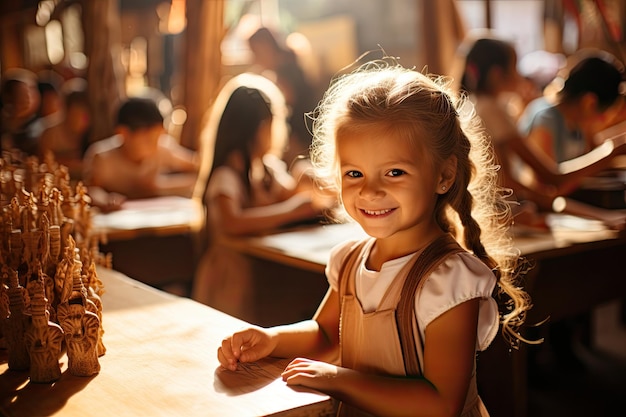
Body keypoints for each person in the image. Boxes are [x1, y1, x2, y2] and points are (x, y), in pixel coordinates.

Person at [217, 59, 535, 417]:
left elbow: (440, 403)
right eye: (354, 173)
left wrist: (339, 379)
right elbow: (325, 335)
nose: (369, 191)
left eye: (394, 172)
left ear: (443, 175)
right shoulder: (351, 261)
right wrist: (272, 339)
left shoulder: (449, 279)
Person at [191, 73, 332, 321]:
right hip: (231, 279)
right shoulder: (227, 175)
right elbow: (231, 222)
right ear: (257, 127)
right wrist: (292, 210)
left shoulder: (266, 169)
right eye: (273, 123)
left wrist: (307, 179)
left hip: (262, 271)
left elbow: (290, 192)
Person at [459, 36, 626, 229]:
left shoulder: (475, 105)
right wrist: (613, 151)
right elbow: (547, 179)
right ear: (497, 74)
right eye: (515, 68)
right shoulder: (495, 112)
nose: (521, 75)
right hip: (496, 215)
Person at [83, 96, 198, 211]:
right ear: (123, 133)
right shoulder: (103, 158)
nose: (155, 146)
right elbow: (91, 190)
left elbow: (199, 167)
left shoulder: (162, 148)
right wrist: (106, 200)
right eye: (148, 140)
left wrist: (162, 186)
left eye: (158, 138)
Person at [518, 50, 626, 163]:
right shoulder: (545, 118)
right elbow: (545, 178)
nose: (601, 122)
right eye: (601, 117)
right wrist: (611, 153)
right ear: (589, 103)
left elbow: (592, 152)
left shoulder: (576, 122)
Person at [248, 27, 320, 167]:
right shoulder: (285, 65)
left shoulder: (284, 72)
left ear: (265, 47)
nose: (254, 59)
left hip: (302, 137)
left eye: (255, 52)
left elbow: (286, 104)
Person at [38, 78, 91, 180]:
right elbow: (43, 163)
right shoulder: (50, 133)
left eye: (84, 117)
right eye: (75, 115)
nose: (80, 121)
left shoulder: (91, 133)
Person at [0, 68, 45, 157]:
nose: (28, 96)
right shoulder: (3, 124)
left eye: (32, 89)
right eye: (21, 91)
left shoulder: (42, 128)